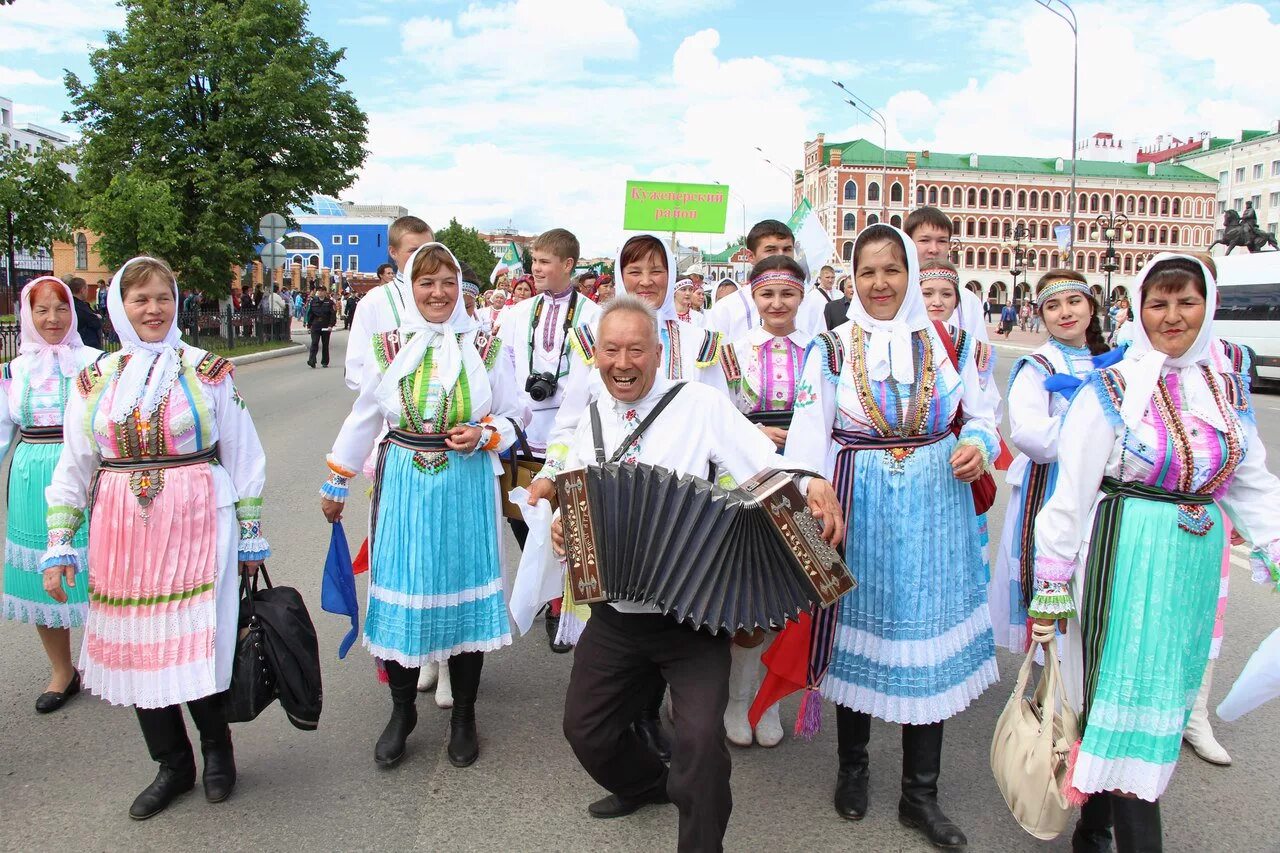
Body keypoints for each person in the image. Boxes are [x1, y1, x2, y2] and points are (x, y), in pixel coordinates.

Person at [555, 295, 843, 853]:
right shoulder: (587, 415)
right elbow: (573, 496)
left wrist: (811, 484)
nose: (622, 362)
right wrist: (564, 528)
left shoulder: (698, 403)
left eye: (635, 349)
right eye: (611, 350)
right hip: (616, 616)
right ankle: (645, 785)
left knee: (699, 746)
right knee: (585, 730)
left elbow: (762, 462)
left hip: (691, 617)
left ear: (658, 353)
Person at [1027, 253, 1280, 850]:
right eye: (1158, 303)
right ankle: (1127, 834)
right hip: (1126, 555)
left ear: (1208, 307)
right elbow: (1072, 493)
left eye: (1187, 302)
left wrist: (1275, 546)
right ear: (1138, 311)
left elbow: (1252, 481)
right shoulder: (1110, 388)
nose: (1173, 316)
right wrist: (1051, 584)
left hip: (1192, 565)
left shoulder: (1224, 388)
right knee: (1125, 698)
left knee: (1163, 697)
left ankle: (1094, 822)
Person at [783, 224, 998, 849]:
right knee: (859, 632)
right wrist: (812, 491)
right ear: (853, 278)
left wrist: (978, 446)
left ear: (910, 274)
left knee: (924, 641)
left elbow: (982, 416)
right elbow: (806, 438)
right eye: (868, 271)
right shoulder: (827, 349)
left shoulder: (949, 343)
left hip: (937, 509)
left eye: (892, 270)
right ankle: (853, 768)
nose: (880, 283)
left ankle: (919, 795)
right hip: (858, 505)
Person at [41, 256, 269, 818]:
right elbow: (74, 462)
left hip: (198, 521)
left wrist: (249, 535)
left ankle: (218, 750)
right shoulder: (95, 378)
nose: (154, 309)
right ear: (121, 305)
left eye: (163, 297)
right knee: (141, 649)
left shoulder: (209, 369)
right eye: (140, 298)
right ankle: (172, 763)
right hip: (122, 530)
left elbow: (243, 454)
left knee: (197, 638)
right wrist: (60, 543)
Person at [321, 243, 528, 770]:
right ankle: (400, 712)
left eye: (448, 283)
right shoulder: (389, 345)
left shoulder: (484, 342)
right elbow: (366, 413)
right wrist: (337, 479)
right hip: (406, 482)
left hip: (467, 483)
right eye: (426, 283)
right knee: (405, 587)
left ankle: (463, 715)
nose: (438, 293)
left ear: (460, 288)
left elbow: (514, 413)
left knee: (462, 592)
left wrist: (485, 433)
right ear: (409, 288)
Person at [717, 255, 811, 750]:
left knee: (789, 600)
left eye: (787, 294)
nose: (777, 304)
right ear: (753, 297)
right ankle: (736, 698)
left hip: (802, 477)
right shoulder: (731, 352)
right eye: (767, 294)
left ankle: (769, 700)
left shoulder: (820, 350)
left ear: (802, 297)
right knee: (748, 599)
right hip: (745, 479)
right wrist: (754, 431)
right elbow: (716, 413)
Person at [989, 270, 1108, 656]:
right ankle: (1049, 694)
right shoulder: (1038, 365)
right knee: (1056, 586)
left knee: (1100, 585)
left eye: (1074, 302)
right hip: (1052, 485)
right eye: (1053, 306)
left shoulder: (1116, 362)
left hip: (1105, 491)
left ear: (1091, 307)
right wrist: (1087, 426)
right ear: (1041, 315)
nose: (1065, 313)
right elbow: (1029, 434)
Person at [496, 229, 603, 650]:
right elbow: (503, 367)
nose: (535, 269)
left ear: (568, 265)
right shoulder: (518, 314)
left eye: (543, 262)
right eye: (534, 261)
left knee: (571, 516)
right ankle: (544, 580)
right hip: (522, 433)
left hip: (571, 432)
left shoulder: (594, 315)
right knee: (521, 514)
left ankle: (563, 602)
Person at [1, 277, 103, 712]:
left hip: (88, 475)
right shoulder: (14, 370)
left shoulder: (97, 363)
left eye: (60, 308)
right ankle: (63, 670)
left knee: (102, 572)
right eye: (41, 310)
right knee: (45, 580)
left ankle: (111, 660)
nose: (52, 319)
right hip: (31, 478)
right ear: (28, 314)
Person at [345, 216, 435, 390]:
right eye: (414, 250)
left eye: (428, 249)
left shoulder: (447, 298)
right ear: (393, 252)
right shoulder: (374, 302)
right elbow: (356, 370)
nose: (423, 257)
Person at [906, 207, 988, 343]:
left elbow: (978, 356)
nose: (934, 249)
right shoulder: (897, 296)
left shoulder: (968, 301)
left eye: (942, 241)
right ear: (908, 243)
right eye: (924, 240)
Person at [704, 221, 796, 339]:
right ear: (750, 256)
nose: (781, 256)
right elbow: (713, 356)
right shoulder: (725, 309)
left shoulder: (811, 304)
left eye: (787, 249)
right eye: (771, 250)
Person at [64, 276, 104, 350]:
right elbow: (96, 322)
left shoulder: (66, 304)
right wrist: (97, 317)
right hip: (86, 346)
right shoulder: (79, 307)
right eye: (87, 289)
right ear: (82, 290)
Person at [305, 287, 337, 368]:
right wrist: (309, 325)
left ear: (325, 292)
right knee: (314, 343)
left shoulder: (330, 302)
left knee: (325, 344)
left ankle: (325, 361)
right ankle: (312, 360)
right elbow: (310, 314)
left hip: (326, 325)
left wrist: (331, 325)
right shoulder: (313, 302)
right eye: (319, 291)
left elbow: (333, 315)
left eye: (322, 291)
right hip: (316, 325)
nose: (320, 292)